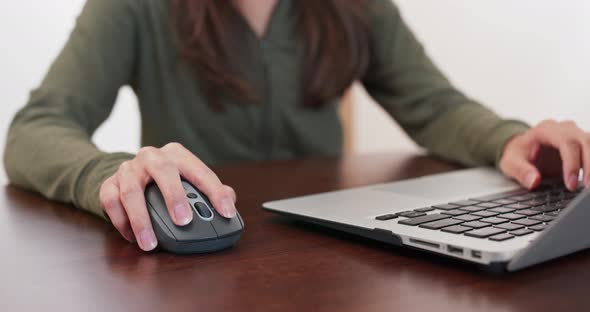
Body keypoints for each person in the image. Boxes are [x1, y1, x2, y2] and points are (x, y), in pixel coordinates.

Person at [4, 0, 589, 252]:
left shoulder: (357, 8)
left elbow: (433, 105)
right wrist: (110, 174)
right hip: (193, 269)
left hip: (328, 253)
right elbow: (36, 126)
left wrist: (509, 137)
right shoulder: (134, 8)